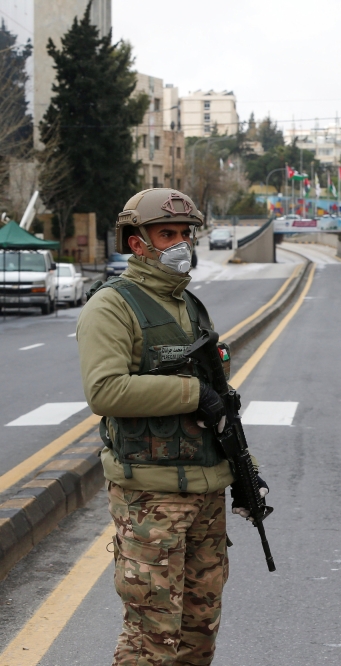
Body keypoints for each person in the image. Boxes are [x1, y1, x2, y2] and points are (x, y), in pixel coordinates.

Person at [76, 188, 268, 665]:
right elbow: (105, 391)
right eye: (167, 234)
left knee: (197, 634)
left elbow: (219, 404)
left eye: (185, 233)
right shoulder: (113, 306)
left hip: (206, 494)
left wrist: (244, 470)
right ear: (137, 243)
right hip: (151, 498)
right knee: (151, 640)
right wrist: (191, 394)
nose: (181, 243)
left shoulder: (189, 307)